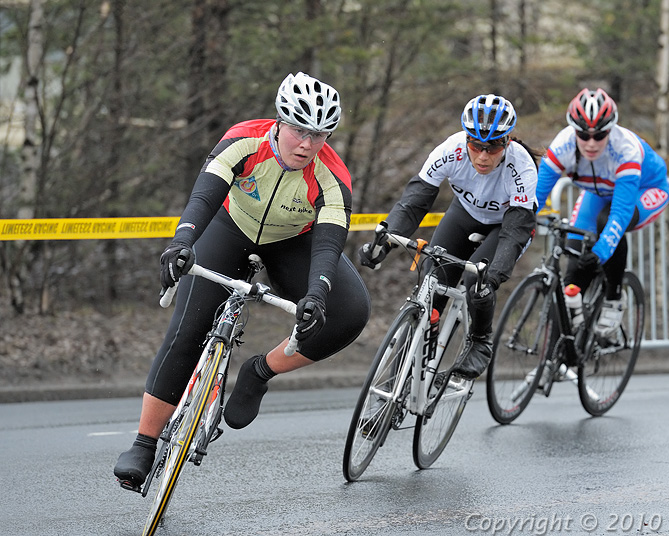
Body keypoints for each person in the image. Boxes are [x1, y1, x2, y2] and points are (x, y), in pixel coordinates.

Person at [114, 72, 370, 491]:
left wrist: (317, 292)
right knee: (189, 329)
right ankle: (143, 444)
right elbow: (204, 197)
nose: (308, 144)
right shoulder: (244, 141)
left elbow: (328, 243)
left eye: (319, 135)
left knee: (350, 313)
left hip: (294, 242)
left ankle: (259, 372)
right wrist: (182, 242)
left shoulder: (332, 176)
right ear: (279, 123)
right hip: (230, 227)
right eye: (300, 131)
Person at [359, 94, 539, 379]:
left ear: (506, 143)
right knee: (432, 282)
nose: (483, 156)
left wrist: (492, 277)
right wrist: (385, 240)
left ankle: (480, 340)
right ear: (466, 140)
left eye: (493, 148)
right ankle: (404, 373)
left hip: (505, 224)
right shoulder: (450, 150)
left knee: (476, 282)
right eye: (476, 146)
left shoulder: (522, 166)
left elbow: (515, 232)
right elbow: (414, 202)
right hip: (464, 214)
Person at [535, 87, 669, 345]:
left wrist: (599, 253)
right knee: (574, 259)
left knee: (606, 224)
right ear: (574, 130)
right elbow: (535, 199)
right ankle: (562, 352)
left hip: (645, 190)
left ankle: (614, 298)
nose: (591, 143)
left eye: (600, 135)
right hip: (599, 192)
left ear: (611, 130)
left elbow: (620, 214)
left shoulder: (625, 149)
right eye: (584, 135)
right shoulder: (563, 145)